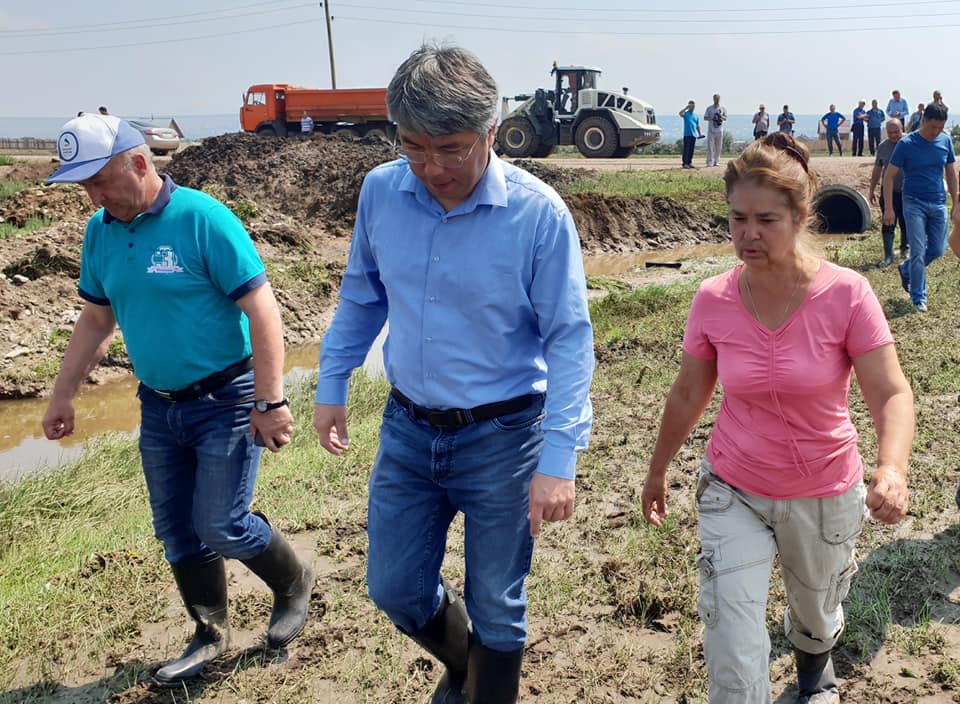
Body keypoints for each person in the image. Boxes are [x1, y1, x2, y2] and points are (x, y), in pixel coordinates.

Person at [312, 44, 594, 703]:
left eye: (450, 149)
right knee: (393, 585)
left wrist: (559, 458)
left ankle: (483, 684)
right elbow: (362, 295)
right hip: (409, 429)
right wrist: (332, 381)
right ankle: (467, 668)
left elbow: (569, 340)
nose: (432, 168)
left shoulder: (538, 215)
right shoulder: (382, 192)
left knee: (496, 599)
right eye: (414, 147)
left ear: (491, 132)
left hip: (504, 436)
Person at [641, 132, 914, 704]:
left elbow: (891, 392)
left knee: (816, 614)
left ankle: (815, 667)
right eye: (738, 219)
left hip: (824, 488)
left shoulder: (847, 295)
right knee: (732, 640)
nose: (749, 234)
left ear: (800, 216)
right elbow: (688, 392)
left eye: (766, 220)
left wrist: (892, 469)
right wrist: (657, 469)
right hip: (733, 487)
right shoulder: (712, 298)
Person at [41, 113, 313, 686]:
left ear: (139, 163)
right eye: (84, 185)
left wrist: (270, 401)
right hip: (160, 406)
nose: (94, 197)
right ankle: (210, 632)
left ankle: (293, 582)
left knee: (221, 524)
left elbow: (262, 310)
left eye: (100, 181)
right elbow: (95, 320)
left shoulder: (202, 219)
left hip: (226, 400)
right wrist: (62, 395)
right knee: (176, 529)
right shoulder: (100, 231)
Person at [885, 102, 959, 312]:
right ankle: (918, 298)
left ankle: (906, 269)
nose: (936, 132)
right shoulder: (906, 143)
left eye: (940, 128)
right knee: (917, 250)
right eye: (933, 127)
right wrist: (889, 208)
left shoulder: (945, 141)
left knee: (938, 249)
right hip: (913, 202)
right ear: (924, 121)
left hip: (938, 202)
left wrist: (955, 203)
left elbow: (951, 174)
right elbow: (889, 176)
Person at [869, 118, 908, 265]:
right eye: (890, 133)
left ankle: (905, 250)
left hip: (907, 191)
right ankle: (888, 255)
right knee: (888, 223)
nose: (893, 135)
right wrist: (872, 189)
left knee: (906, 222)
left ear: (902, 129)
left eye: (896, 132)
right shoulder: (883, 146)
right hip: (888, 192)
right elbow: (877, 169)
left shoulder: (910, 143)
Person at [704, 94, 727, 167]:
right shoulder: (709, 108)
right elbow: (705, 118)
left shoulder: (723, 108)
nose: (716, 100)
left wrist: (720, 116)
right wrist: (712, 118)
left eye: (717, 99)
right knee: (710, 147)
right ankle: (709, 161)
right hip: (711, 130)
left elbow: (725, 118)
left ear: (719, 99)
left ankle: (716, 161)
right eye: (715, 98)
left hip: (719, 130)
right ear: (713, 99)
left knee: (718, 147)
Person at [680, 99, 703, 169]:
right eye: (690, 106)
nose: (692, 107)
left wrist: (699, 133)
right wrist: (686, 108)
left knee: (691, 150)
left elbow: (697, 125)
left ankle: (689, 162)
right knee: (686, 149)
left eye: (693, 106)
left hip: (693, 135)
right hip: (687, 134)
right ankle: (685, 163)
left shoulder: (696, 116)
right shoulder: (686, 114)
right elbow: (680, 113)